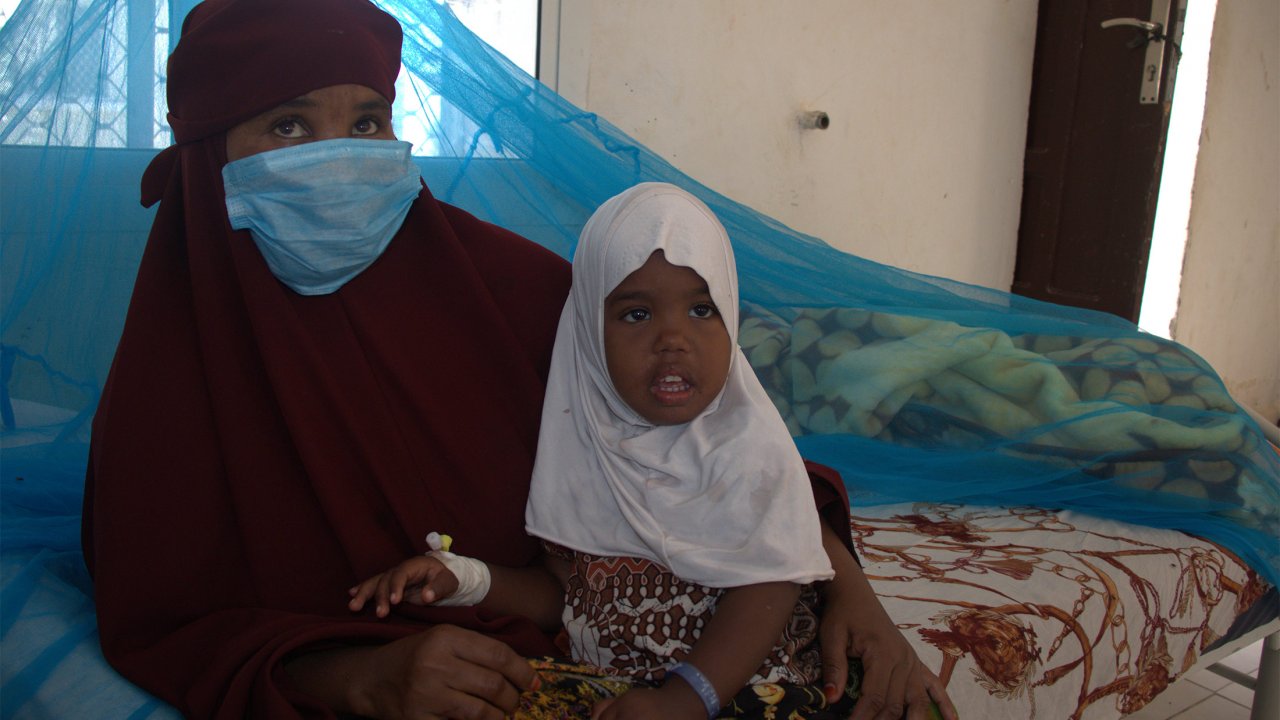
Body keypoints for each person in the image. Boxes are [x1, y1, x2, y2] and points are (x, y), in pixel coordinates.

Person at [81, 1, 957, 718]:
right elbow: (169, 623)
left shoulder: (508, 291)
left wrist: (852, 593)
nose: (337, 157)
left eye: (367, 121)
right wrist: (355, 679)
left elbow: (722, 444)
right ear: (205, 162)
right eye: (286, 123)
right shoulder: (175, 384)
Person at [351, 183, 874, 718]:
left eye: (701, 309)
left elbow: (768, 588)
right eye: (636, 315)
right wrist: (462, 578)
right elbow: (567, 596)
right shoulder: (580, 447)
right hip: (616, 686)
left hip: (740, 687)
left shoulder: (749, 451)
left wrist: (685, 699)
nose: (673, 338)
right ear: (586, 336)